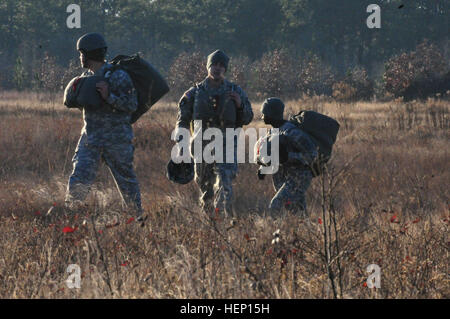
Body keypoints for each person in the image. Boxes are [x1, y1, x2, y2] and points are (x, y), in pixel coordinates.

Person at [64, 32, 144, 221]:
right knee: (79, 179)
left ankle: (137, 220)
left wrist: (109, 97)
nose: (80, 57)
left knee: (126, 184)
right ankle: (69, 219)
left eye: (81, 53)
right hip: (90, 139)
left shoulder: (118, 76)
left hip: (116, 141)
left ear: (87, 54)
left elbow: (131, 105)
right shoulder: (84, 78)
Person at [174, 50, 253, 217]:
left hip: (227, 145)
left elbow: (248, 118)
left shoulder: (235, 91)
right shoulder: (194, 93)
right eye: (214, 65)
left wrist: (239, 105)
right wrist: (182, 145)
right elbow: (182, 120)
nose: (217, 68)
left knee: (225, 183)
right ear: (208, 67)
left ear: (225, 69)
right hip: (202, 146)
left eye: (221, 65)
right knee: (205, 186)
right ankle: (209, 220)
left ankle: (222, 219)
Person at [257, 97, 318, 217]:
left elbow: (313, 154)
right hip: (285, 180)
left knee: (276, 205)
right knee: (297, 212)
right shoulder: (272, 133)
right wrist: (263, 168)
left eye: (264, 113)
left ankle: (274, 233)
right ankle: (305, 233)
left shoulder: (292, 132)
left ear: (271, 113)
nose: (262, 116)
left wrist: (289, 156)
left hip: (298, 178)